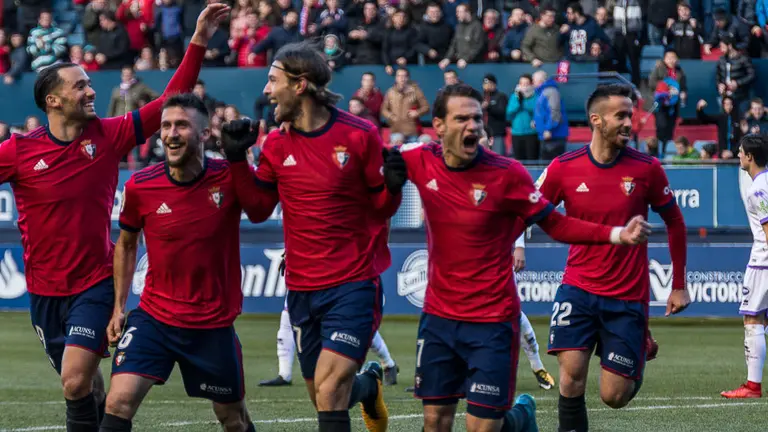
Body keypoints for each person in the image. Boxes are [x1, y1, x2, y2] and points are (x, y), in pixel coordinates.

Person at [0, 4, 228, 431]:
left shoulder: (108, 134)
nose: (90, 91)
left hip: (94, 282)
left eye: (89, 84)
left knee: (73, 380)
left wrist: (198, 39)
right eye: (80, 86)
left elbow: (167, 102)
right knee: (85, 387)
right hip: (44, 292)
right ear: (53, 100)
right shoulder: (18, 152)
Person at [381, 83, 651, 432]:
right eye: (461, 119)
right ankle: (520, 419)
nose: (472, 126)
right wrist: (387, 183)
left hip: (493, 320)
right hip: (438, 318)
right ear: (439, 126)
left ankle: (520, 416)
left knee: (482, 428)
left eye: (477, 118)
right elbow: (371, 166)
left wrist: (616, 234)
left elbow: (556, 224)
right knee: (435, 422)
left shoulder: (507, 173)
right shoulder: (419, 159)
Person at [222, 41, 401, 432]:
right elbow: (258, 209)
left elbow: (382, 208)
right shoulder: (276, 142)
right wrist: (237, 161)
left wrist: (394, 186)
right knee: (324, 393)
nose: (267, 90)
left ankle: (360, 386)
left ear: (299, 84)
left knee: (330, 389)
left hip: (353, 283)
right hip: (302, 289)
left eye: (273, 80)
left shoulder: (360, 134)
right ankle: (369, 386)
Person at [101, 95, 270, 432]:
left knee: (233, 419)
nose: (171, 133)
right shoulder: (140, 185)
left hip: (212, 325)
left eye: (181, 125)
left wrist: (240, 159)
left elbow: (259, 209)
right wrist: (119, 307)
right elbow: (127, 244)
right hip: (154, 318)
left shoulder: (229, 177)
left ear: (204, 133)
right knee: (118, 403)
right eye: (165, 126)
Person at [536, 84, 690, 432]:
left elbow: (675, 222)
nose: (628, 123)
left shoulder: (647, 168)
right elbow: (527, 209)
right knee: (571, 377)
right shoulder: (563, 168)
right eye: (620, 116)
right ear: (596, 120)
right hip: (577, 288)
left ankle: (637, 348)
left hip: (626, 296)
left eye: (630, 116)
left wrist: (678, 285)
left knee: (614, 396)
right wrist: (513, 246)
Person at [721, 134, 768, 399]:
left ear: (750, 157)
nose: (738, 155)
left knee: (753, 319)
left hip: (763, 262)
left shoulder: (757, 189)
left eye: (740, 152)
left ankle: (752, 386)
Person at [514, 233, 557, 391]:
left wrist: (519, 246)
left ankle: (537, 366)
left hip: (496, 254)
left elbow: (514, 217)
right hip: (466, 253)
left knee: (512, 311)